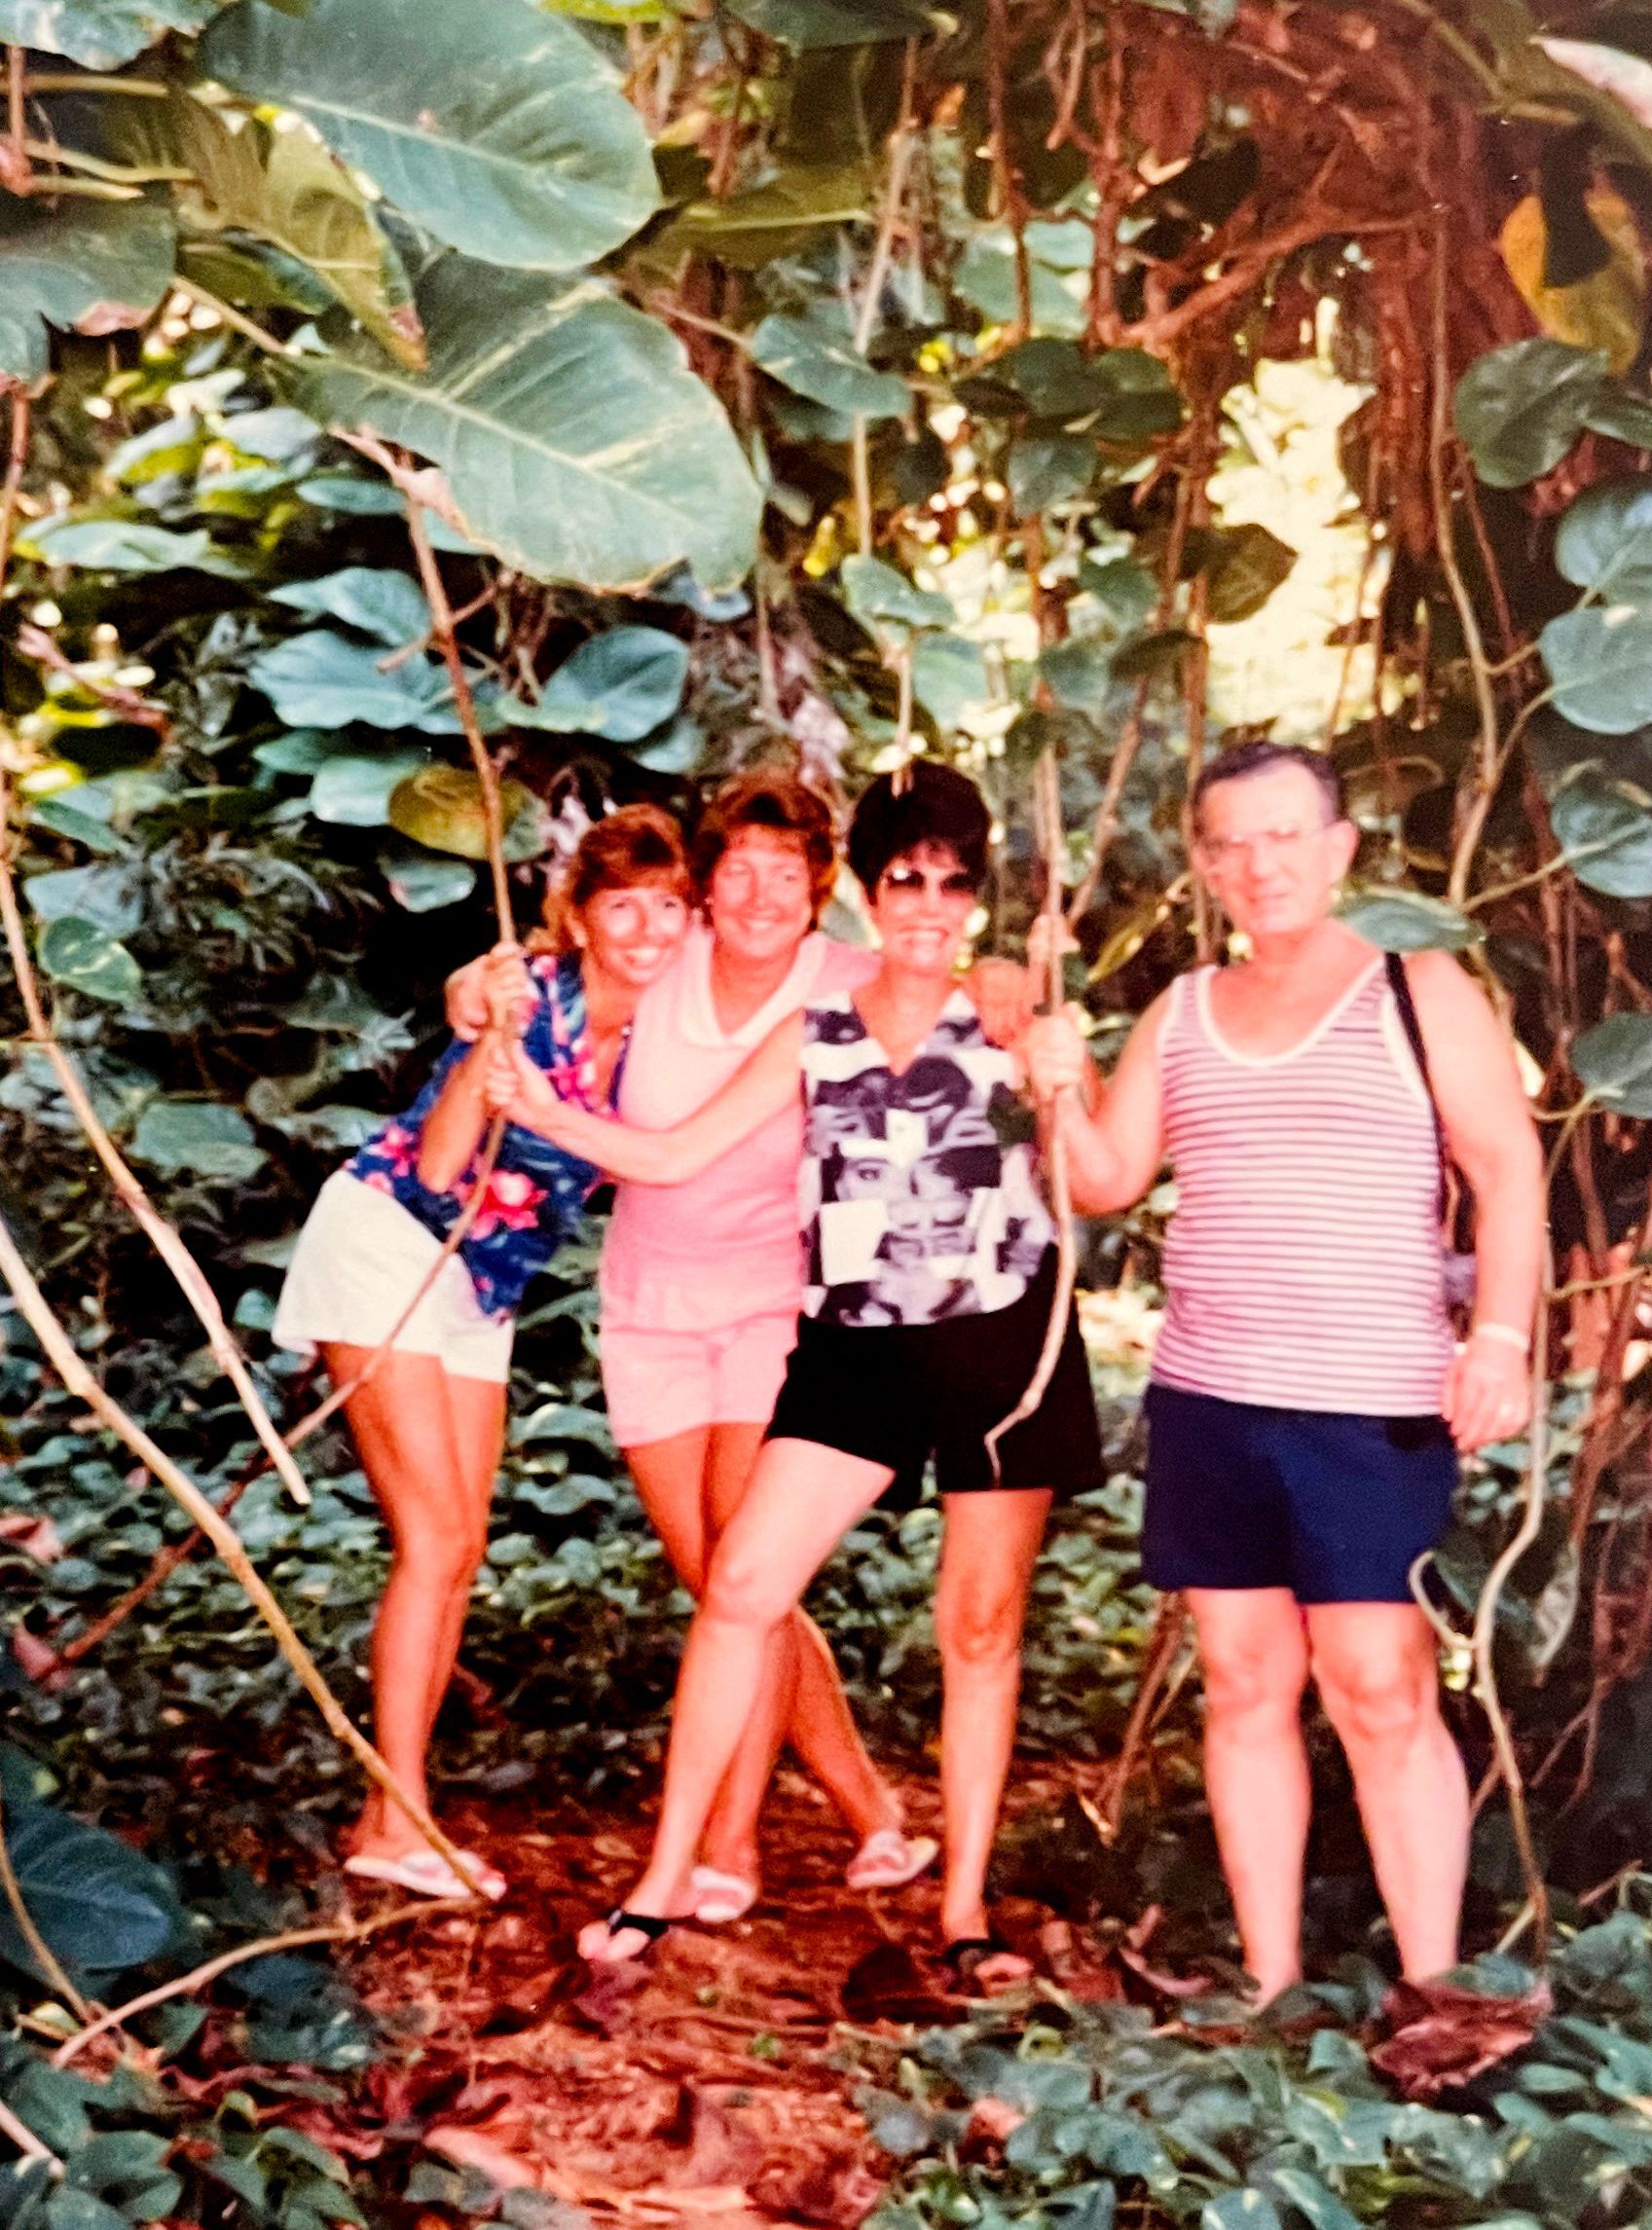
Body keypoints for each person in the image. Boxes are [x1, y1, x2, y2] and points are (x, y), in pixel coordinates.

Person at [482, 763, 1107, 1973]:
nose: (926, 904)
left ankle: (962, 1911)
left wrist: (1063, 1068)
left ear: (976, 897)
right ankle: (663, 1878)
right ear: (866, 893)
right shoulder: (815, 1024)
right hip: (856, 1341)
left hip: (1003, 1338)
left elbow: (1105, 1178)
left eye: (951, 884)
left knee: (978, 1627)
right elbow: (673, 1153)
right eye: (903, 880)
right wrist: (542, 1109)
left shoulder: (1008, 1016)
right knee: (739, 1584)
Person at [1022, 739, 1545, 2001]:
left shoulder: (1418, 986)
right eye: (1231, 844)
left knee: (1380, 1685)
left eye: (1284, 835)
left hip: (1370, 1403)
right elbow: (1104, 1177)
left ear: (1338, 846)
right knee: (1245, 1679)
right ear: (1205, 864)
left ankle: (1433, 1991)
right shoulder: (1184, 1008)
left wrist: (1500, 1337)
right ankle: (1269, 1986)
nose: (1260, 864)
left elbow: (1506, 1166)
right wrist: (1054, 1085)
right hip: (1210, 1396)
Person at [272, 807, 693, 1902]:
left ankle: (392, 1812)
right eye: (622, 906)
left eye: (667, 905)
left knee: (461, 1546)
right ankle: (395, 1818)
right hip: (391, 1246)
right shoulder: (531, 996)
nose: (648, 929)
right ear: (579, 919)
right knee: (435, 1537)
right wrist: (490, 1046)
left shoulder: (669, 1033)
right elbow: (437, 1163)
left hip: (482, 1287)